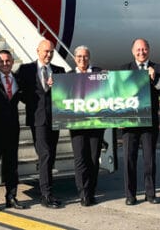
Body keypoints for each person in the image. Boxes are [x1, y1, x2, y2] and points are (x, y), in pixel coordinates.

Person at [119, 38, 160, 205]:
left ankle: (150, 194)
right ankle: (130, 195)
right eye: (138, 49)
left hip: (150, 122)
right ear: (133, 51)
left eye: (144, 49)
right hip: (130, 122)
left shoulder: (158, 68)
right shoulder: (124, 69)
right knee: (129, 159)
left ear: (149, 50)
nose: (141, 52)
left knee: (149, 159)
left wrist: (154, 79)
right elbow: (116, 93)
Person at [17, 39, 66, 209]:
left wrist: (56, 88)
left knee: (50, 155)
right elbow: (19, 91)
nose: (49, 55)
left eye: (51, 52)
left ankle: (45, 185)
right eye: (46, 51)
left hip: (55, 119)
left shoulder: (59, 71)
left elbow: (68, 91)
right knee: (45, 154)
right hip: (37, 119)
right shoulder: (26, 70)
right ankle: (46, 194)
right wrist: (34, 99)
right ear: (38, 51)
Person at [0, 49, 27, 212]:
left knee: (11, 165)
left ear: (12, 62)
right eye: (1, 61)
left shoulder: (18, 79)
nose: (5, 64)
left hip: (12, 129)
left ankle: (11, 197)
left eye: (8, 61)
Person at [67, 45, 104, 207]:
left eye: (85, 56)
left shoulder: (99, 73)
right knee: (80, 159)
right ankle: (83, 193)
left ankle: (91, 191)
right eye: (79, 56)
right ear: (74, 58)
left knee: (94, 159)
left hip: (96, 124)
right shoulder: (68, 76)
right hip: (77, 125)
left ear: (89, 58)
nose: (82, 59)